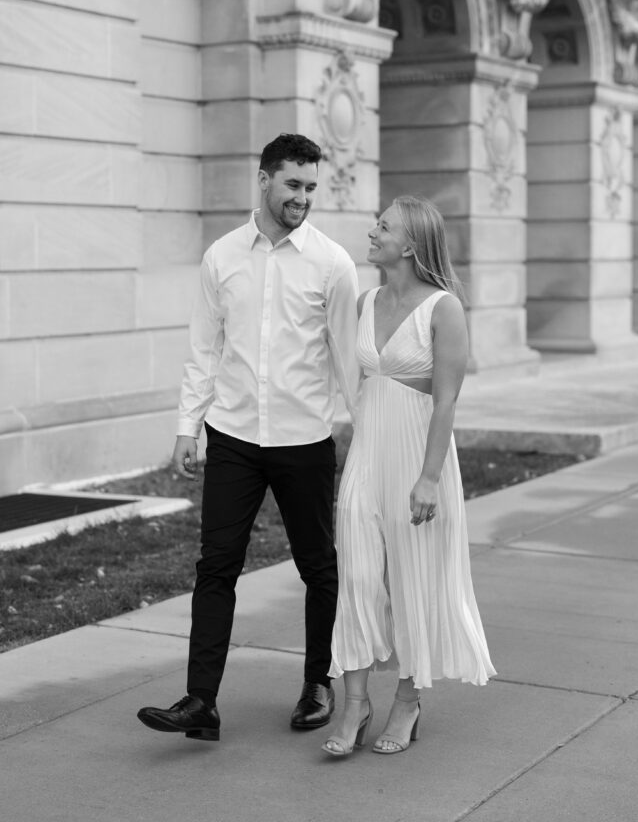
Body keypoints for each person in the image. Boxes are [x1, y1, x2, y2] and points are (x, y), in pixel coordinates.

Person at [137, 133, 360, 742]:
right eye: (293, 184)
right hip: (232, 434)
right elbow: (203, 349)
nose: (302, 198)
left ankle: (319, 684)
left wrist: (364, 430)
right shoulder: (222, 256)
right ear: (263, 180)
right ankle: (200, 701)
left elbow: (347, 357)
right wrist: (188, 426)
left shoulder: (333, 264)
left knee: (319, 567)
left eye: (311, 187)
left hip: (304, 439)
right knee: (216, 567)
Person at [322, 195, 495, 758]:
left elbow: (445, 403)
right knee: (356, 578)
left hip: (419, 462)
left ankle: (407, 699)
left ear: (412, 244)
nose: (372, 232)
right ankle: (354, 703)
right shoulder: (366, 299)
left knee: (412, 583)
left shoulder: (444, 308)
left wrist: (428, 477)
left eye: (384, 227)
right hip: (367, 456)